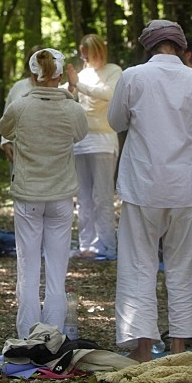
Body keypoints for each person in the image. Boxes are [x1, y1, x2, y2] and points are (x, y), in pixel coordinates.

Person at [107, 20, 192, 362]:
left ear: (148, 47)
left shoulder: (133, 77)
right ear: (181, 48)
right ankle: (179, 347)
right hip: (183, 186)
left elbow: (116, 121)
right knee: (183, 266)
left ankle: (142, 350)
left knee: (139, 263)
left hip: (143, 184)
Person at [0, 48, 87, 338]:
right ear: (61, 74)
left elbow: (4, 129)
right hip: (60, 195)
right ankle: (52, 334)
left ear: (33, 75)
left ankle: (27, 335)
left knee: (28, 266)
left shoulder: (21, 106)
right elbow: (81, 134)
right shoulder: (71, 108)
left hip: (28, 195)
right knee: (57, 269)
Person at [65, 34, 122, 259]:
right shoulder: (81, 75)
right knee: (83, 196)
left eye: (96, 54)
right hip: (81, 141)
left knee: (103, 196)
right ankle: (86, 244)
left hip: (104, 141)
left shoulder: (114, 71)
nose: (92, 58)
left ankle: (106, 244)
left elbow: (110, 94)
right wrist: (71, 84)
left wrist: (79, 83)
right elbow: (69, 98)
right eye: (87, 54)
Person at [1, 45, 41, 162]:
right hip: (19, 149)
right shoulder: (18, 87)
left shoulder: (54, 88)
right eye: (34, 61)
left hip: (47, 150)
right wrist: (6, 141)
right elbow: (7, 117)